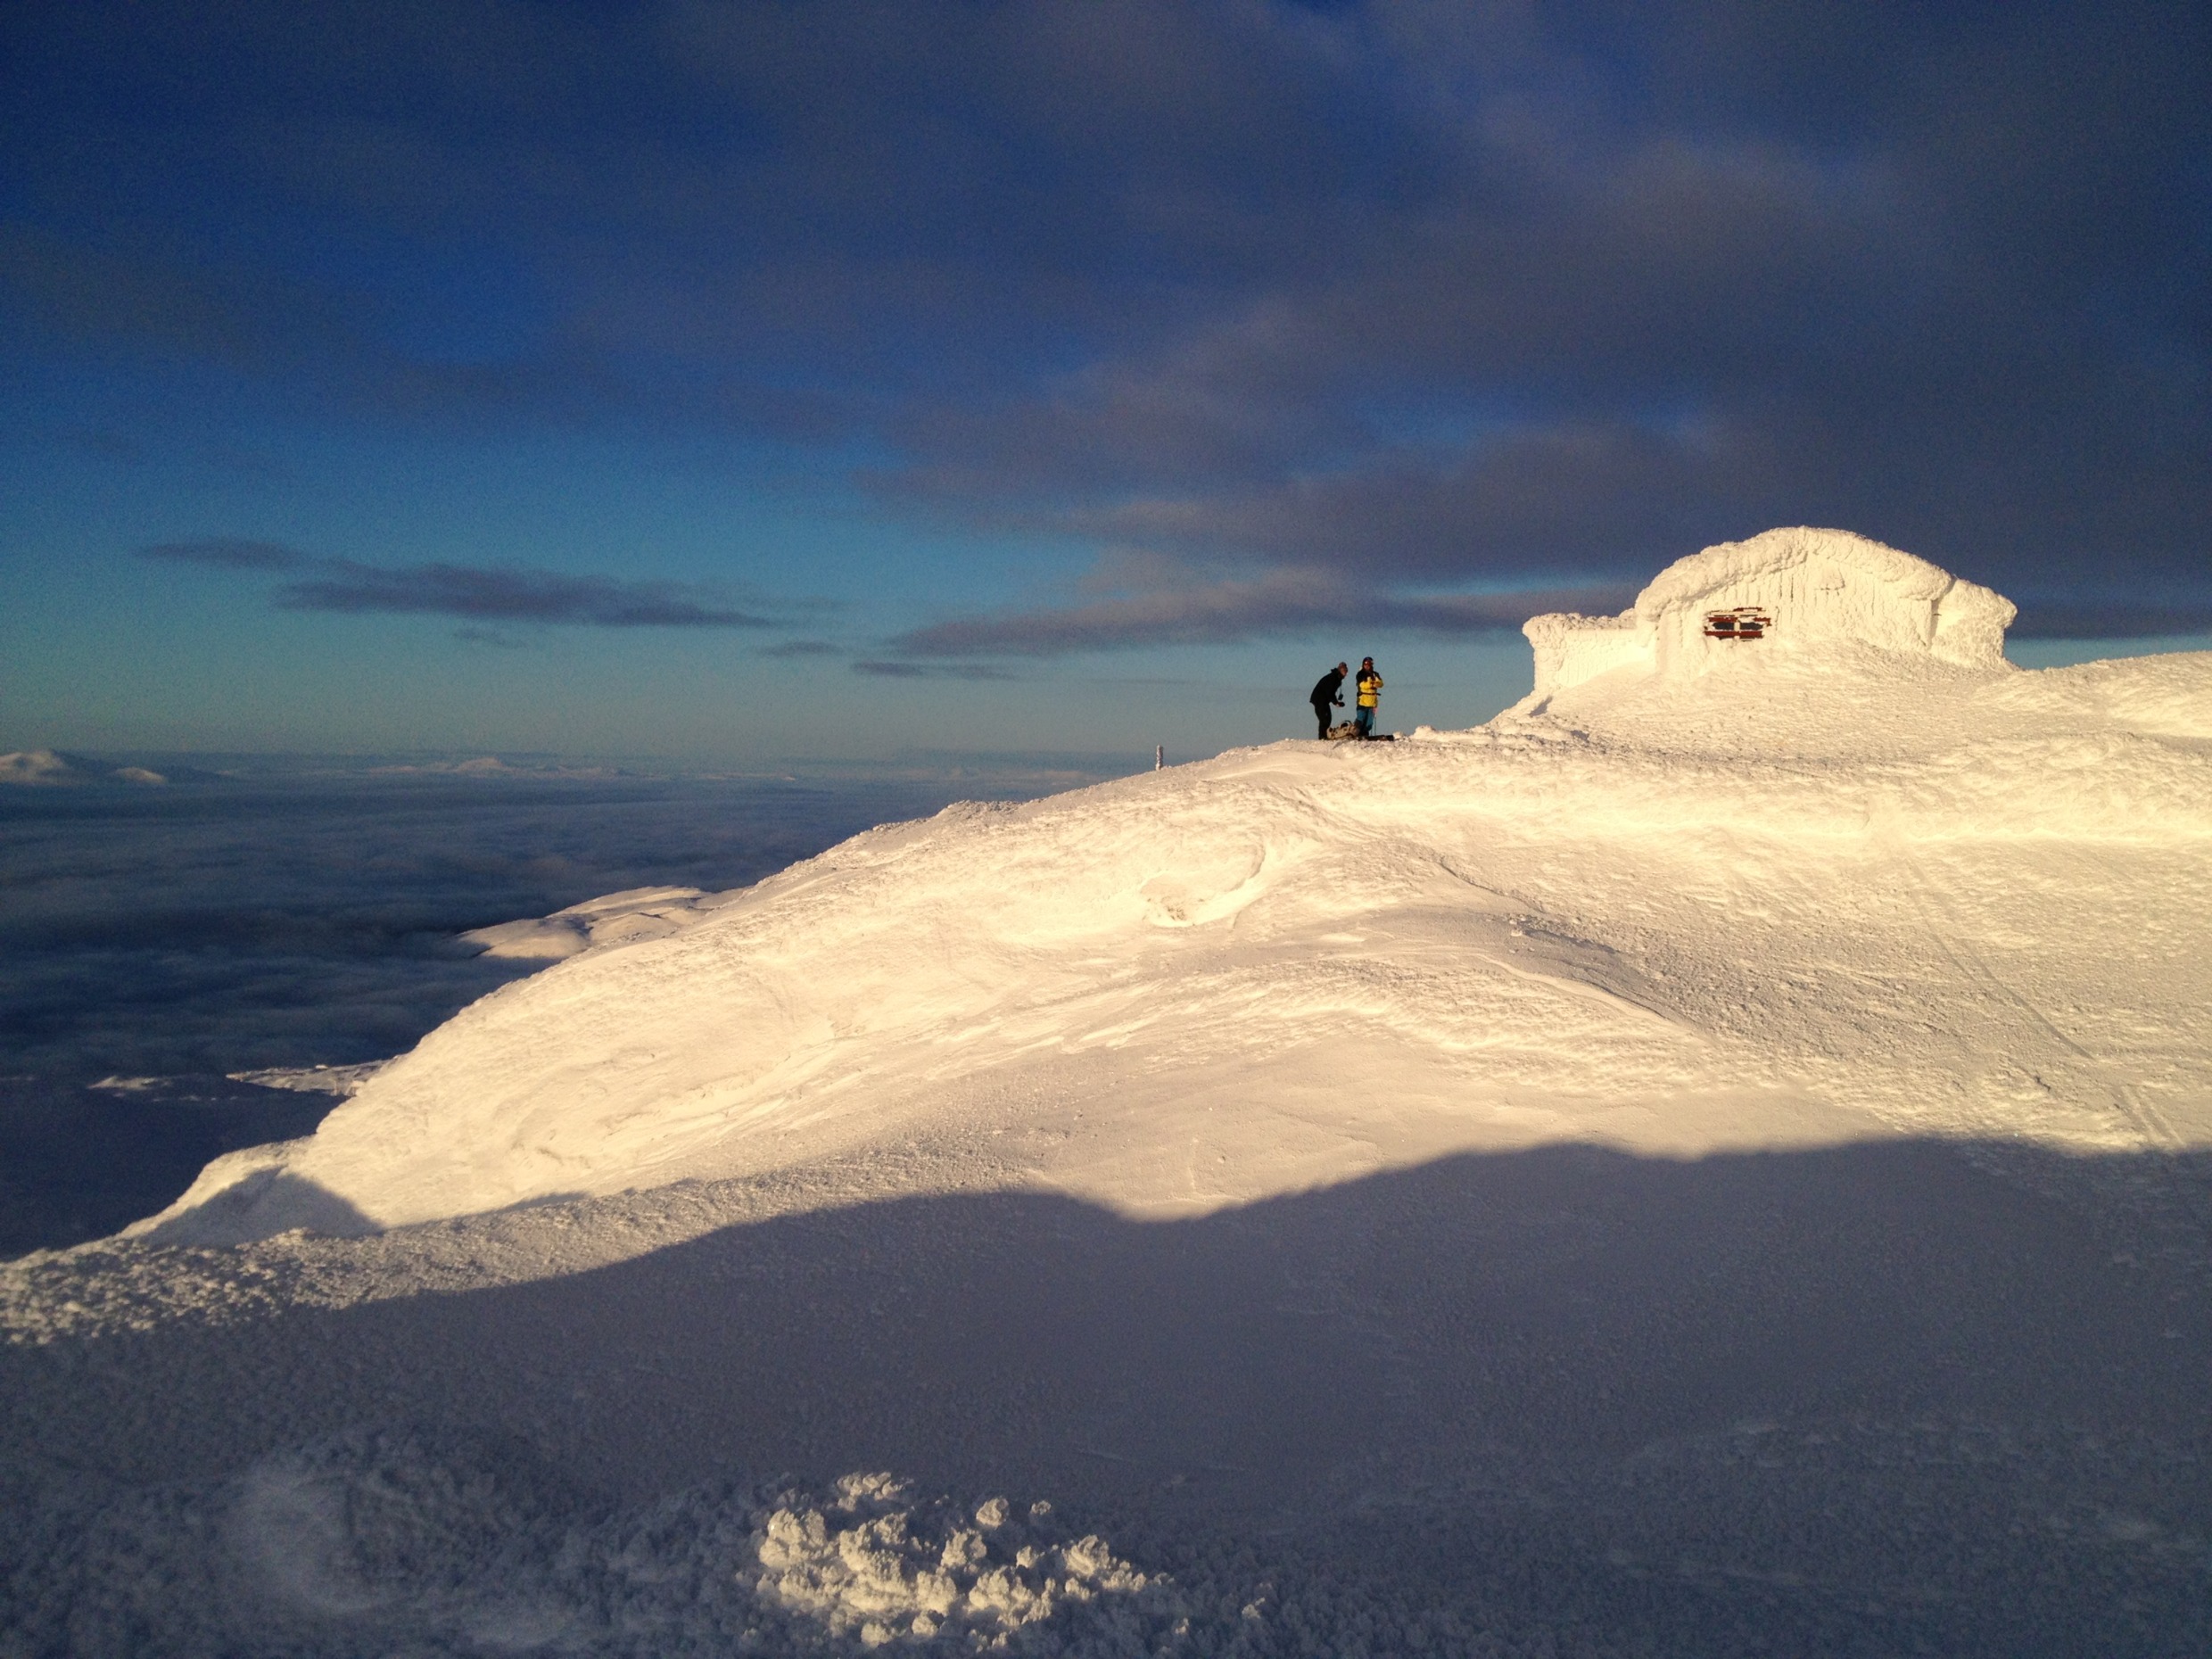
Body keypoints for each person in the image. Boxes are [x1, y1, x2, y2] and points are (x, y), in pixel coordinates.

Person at [1308, 662, 1348, 739]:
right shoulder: (1333, 678)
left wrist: (1336, 702)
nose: (1345, 674)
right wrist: (1336, 702)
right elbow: (1329, 691)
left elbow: (1330, 692)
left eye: (1346, 671)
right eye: (1344, 671)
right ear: (1340, 670)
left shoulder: (1336, 678)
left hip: (1322, 700)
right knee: (1325, 719)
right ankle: (1322, 737)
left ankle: (1324, 736)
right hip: (1319, 699)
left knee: (1326, 718)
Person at [1354, 656, 1382, 739]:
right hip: (1362, 701)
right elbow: (1361, 685)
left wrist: (1376, 684)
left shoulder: (1375, 674)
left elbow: (1381, 683)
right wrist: (1371, 684)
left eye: (1369, 664)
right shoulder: (1360, 674)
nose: (1367, 666)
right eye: (1366, 664)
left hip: (1373, 702)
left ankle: (1365, 734)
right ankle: (1355, 733)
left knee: (1369, 722)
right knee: (1360, 719)